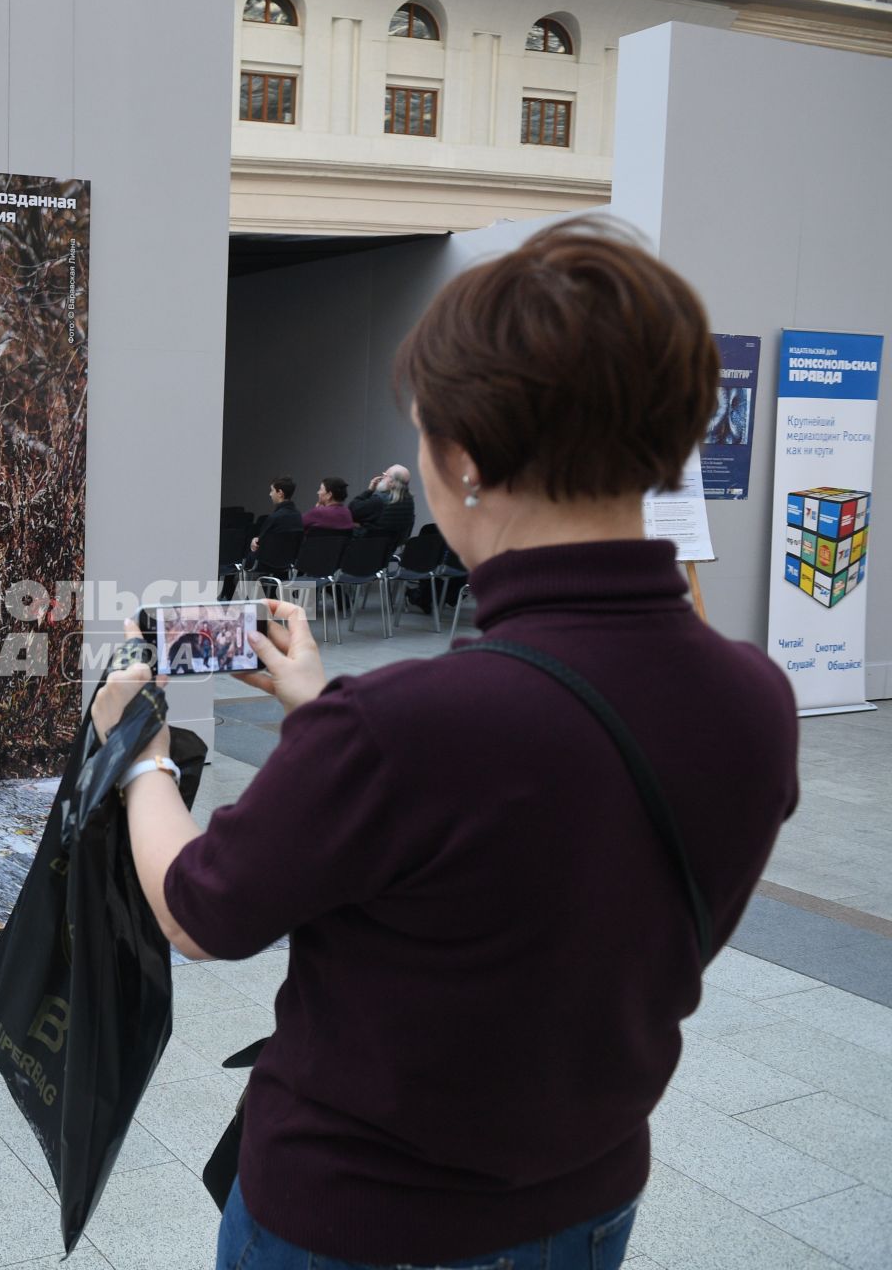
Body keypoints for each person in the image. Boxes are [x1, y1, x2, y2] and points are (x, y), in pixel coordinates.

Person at [90, 218, 798, 1270]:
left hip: (357, 1222)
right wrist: (318, 702)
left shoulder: (403, 728)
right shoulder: (754, 698)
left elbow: (200, 909)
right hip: (589, 1201)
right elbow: (535, 866)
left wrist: (136, 753)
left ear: (462, 458)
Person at [350, 463, 416, 545]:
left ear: (391, 482)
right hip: (388, 549)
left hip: (365, 547)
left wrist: (369, 490)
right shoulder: (409, 502)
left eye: (385, 475)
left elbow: (352, 510)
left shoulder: (379, 500)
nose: (382, 478)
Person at [246, 476, 302, 557]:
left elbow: (259, 545)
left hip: (264, 564)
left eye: (272, 490)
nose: (270, 494)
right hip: (286, 565)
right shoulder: (298, 516)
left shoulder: (274, 518)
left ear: (280, 493)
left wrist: (254, 541)